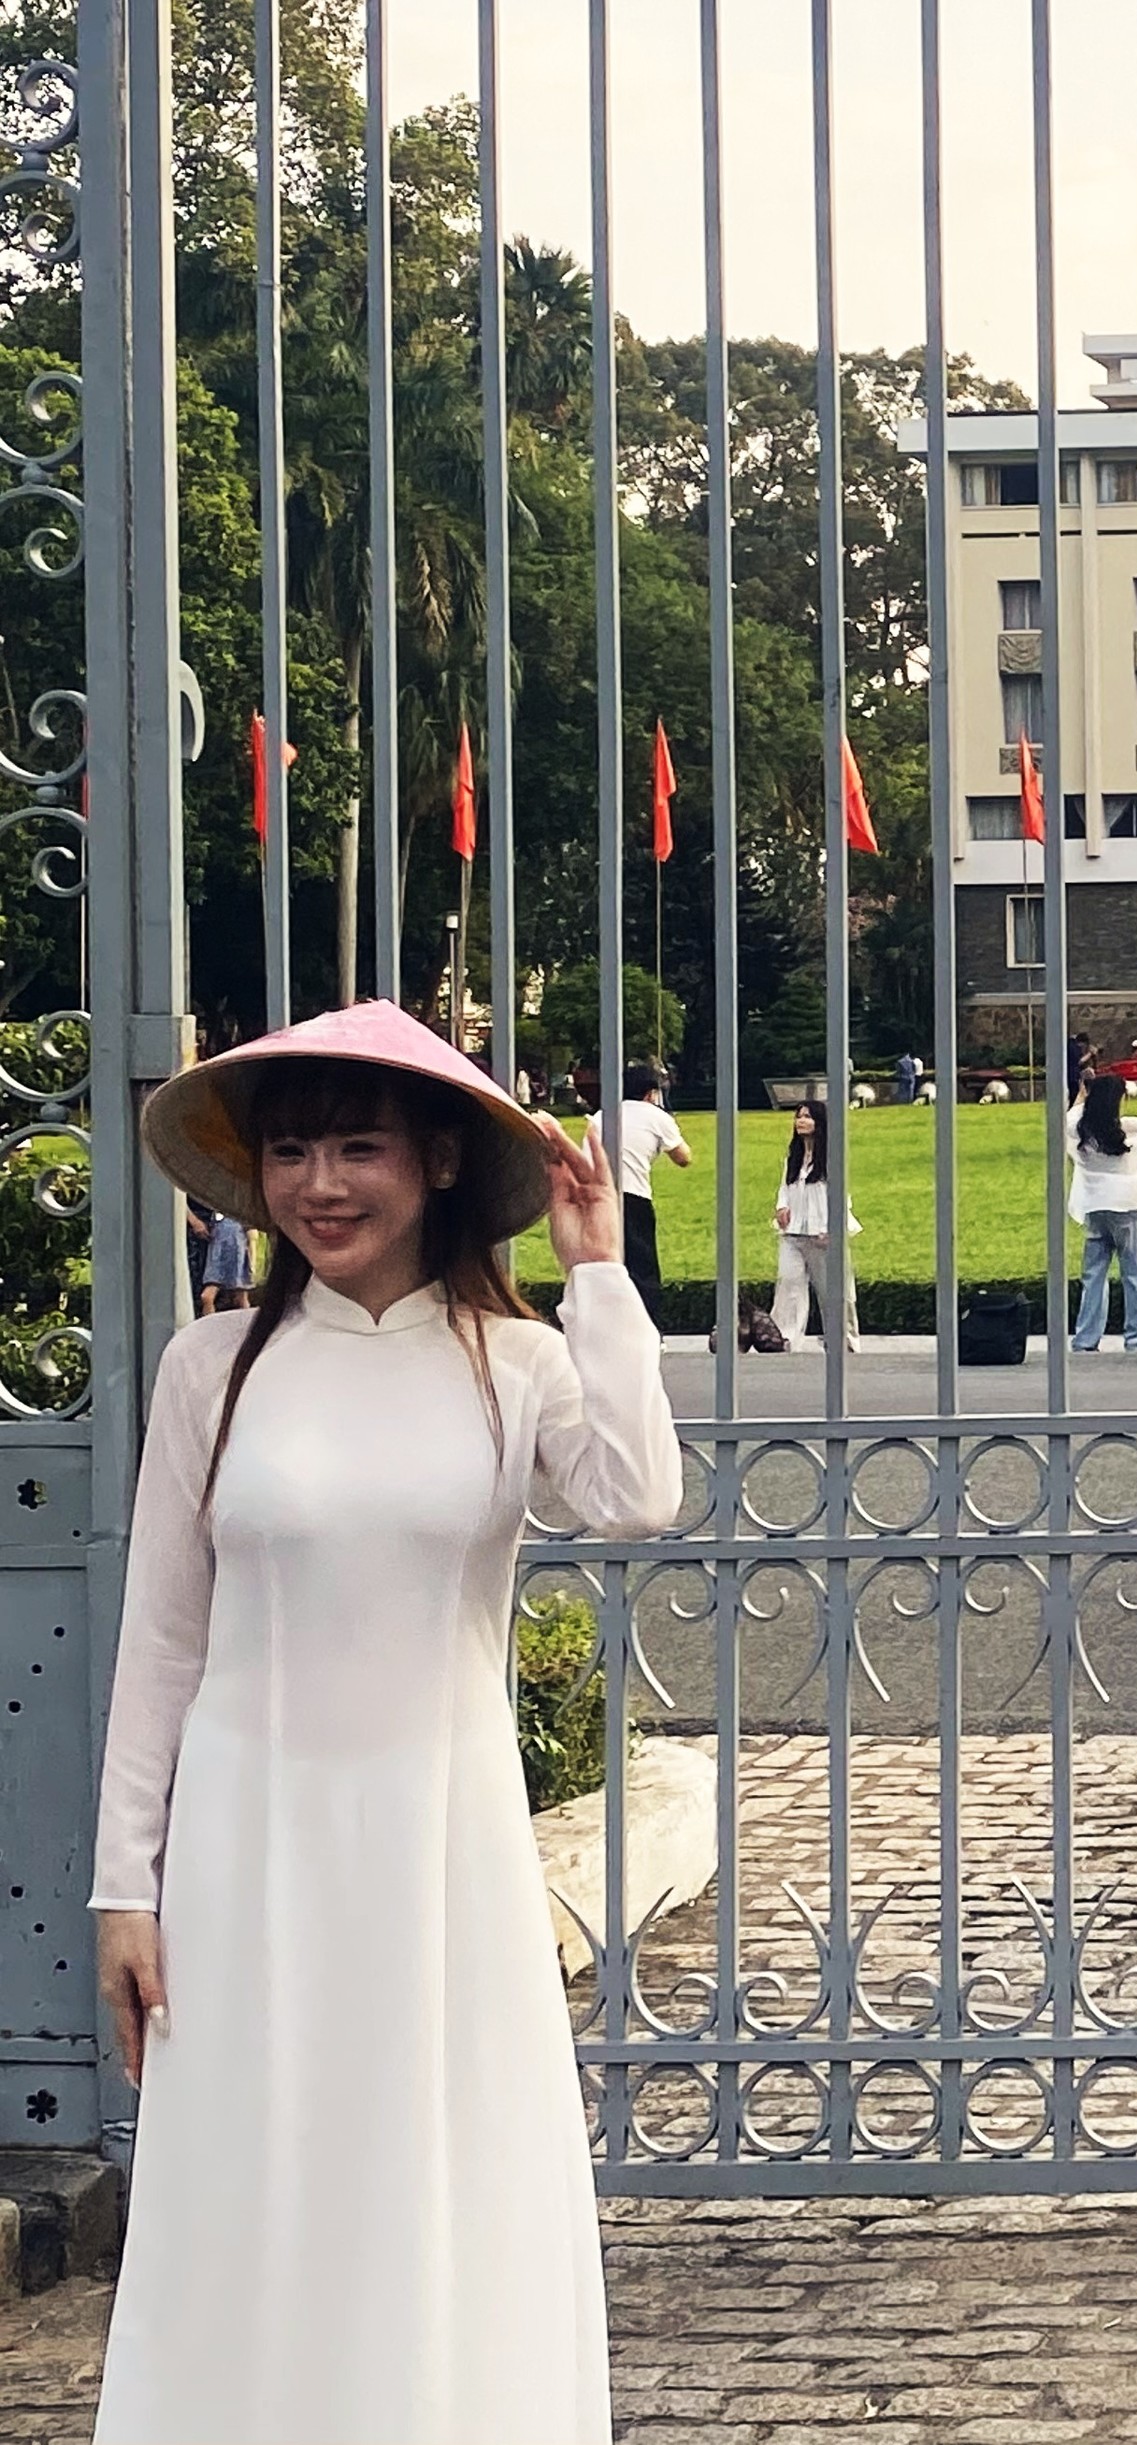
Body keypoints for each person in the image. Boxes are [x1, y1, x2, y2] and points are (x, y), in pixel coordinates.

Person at [91, 1002, 681, 2443]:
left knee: (442, 2164)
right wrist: (124, 1887)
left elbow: (637, 1494)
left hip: (439, 1844)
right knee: (249, 2170)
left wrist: (597, 1274)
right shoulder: (211, 1367)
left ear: (435, 1161)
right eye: (290, 1151)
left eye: (358, 1147)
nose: (321, 1185)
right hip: (244, 1843)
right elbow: (162, 1639)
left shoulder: (513, 1362)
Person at [1067, 1071, 1137, 1353]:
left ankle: (1086, 1339)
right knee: (1136, 1277)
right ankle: (1135, 1339)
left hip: (1094, 1207)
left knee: (1093, 1276)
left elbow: (1072, 1115)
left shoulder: (1079, 1131)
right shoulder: (1133, 1132)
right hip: (1128, 1206)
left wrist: (1083, 1092)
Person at [771, 1099, 861, 1350]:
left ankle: (843, 1340)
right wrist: (781, 1207)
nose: (801, 1121)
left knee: (835, 1291)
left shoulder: (831, 1158)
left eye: (807, 1117)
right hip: (793, 1234)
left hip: (823, 1234)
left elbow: (841, 1196)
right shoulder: (794, 1157)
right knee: (789, 1284)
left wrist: (834, 1228)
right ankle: (786, 1338)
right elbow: (785, 1187)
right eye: (799, 1116)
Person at [613, 1061, 692, 1308]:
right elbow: (684, 1158)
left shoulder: (603, 1115)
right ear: (651, 1093)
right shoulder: (656, 1117)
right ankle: (647, 1320)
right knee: (642, 1264)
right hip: (633, 1194)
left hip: (598, 1195)